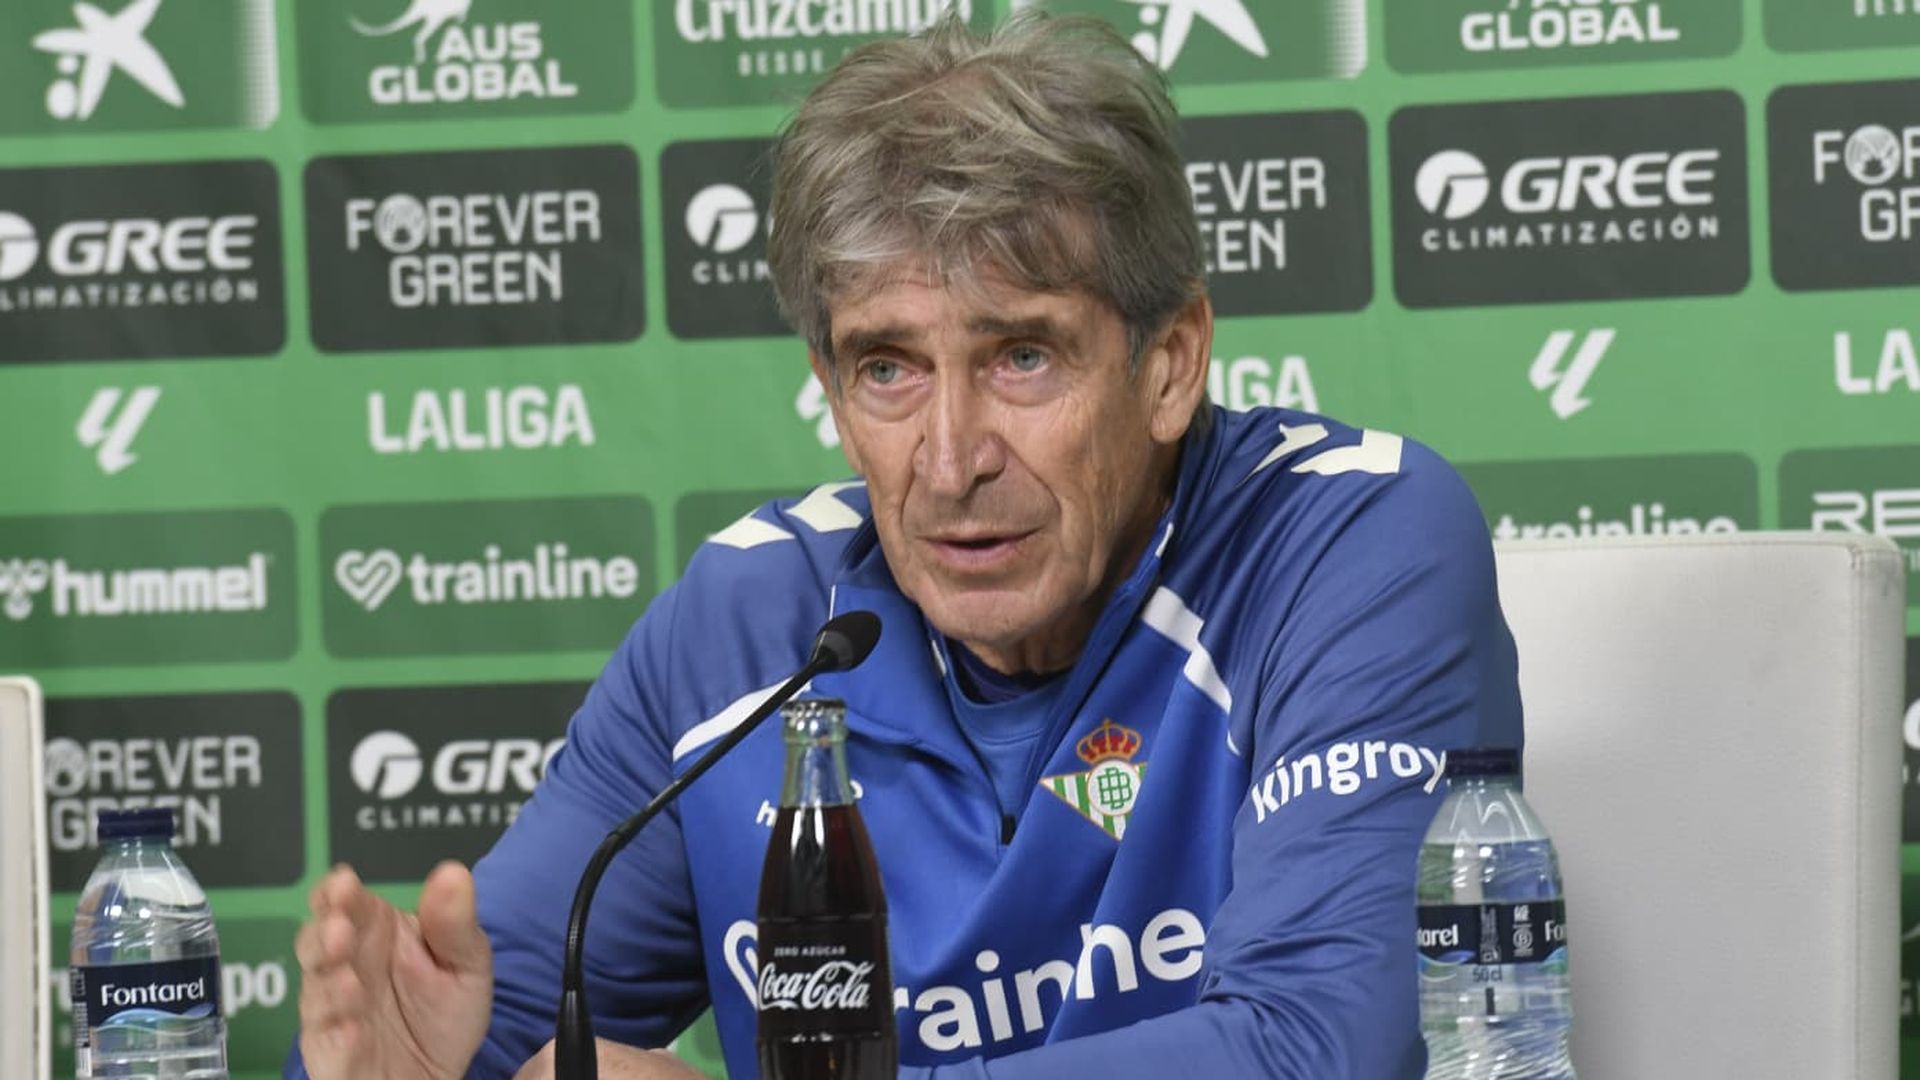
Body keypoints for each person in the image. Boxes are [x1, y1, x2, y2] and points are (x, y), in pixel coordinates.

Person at [290, 12, 1522, 1079]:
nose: (949, 458)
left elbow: (1318, 1047)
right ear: (832, 389)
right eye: (888, 368)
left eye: (1021, 356)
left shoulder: (1347, 543)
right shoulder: (745, 631)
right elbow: (478, 1033)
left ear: (1170, 364)